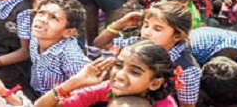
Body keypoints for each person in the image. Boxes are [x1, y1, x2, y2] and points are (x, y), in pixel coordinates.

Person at [92, 3, 197, 107]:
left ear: (177, 36)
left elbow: (186, 105)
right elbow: (100, 43)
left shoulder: (185, 70)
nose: (147, 32)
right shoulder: (136, 44)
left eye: (157, 29)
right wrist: (120, 24)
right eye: (146, 25)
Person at [35, 40, 178, 107]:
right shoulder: (105, 89)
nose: (120, 75)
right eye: (118, 65)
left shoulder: (165, 105)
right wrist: (75, 82)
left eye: (134, 72)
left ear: (154, 83)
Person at [29, 0, 90, 97]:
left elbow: (83, 94)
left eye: (54, 18)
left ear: (69, 32)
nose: (43, 19)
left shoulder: (72, 58)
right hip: (36, 93)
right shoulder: (36, 37)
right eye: (41, 13)